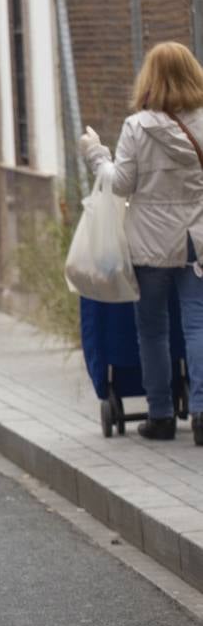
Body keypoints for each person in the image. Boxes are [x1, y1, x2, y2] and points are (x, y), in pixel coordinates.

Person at [80, 41, 203, 443]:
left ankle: (162, 415)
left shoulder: (138, 127)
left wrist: (96, 154)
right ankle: (201, 414)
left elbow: (120, 184)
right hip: (197, 237)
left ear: (150, 77)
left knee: (152, 329)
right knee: (197, 322)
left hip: (150, 240)